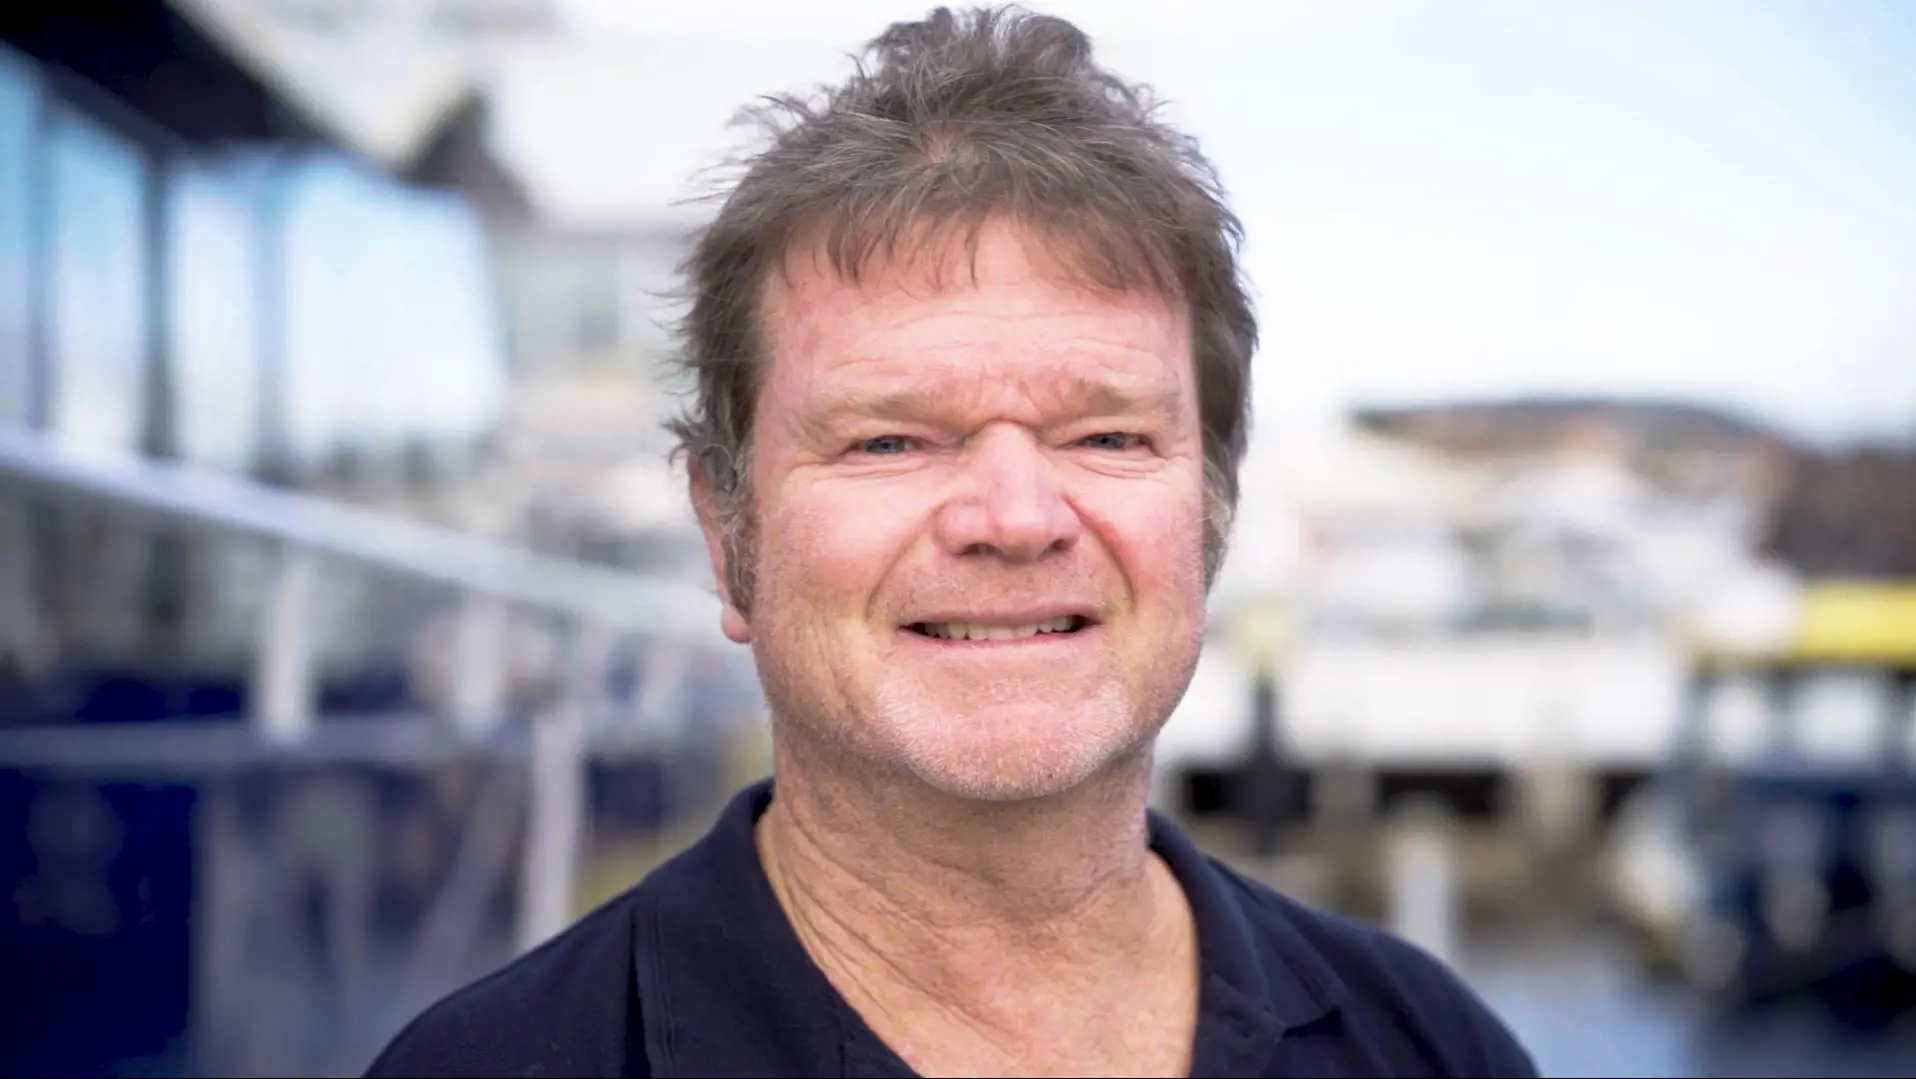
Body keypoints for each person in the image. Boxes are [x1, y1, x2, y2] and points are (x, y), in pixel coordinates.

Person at [366, 7, 1540, 1077]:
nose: (1015, 519)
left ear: (1211, 514)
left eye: (1105, 435)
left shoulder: (1431, 1047)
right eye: (889, 441)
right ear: (727, 534)